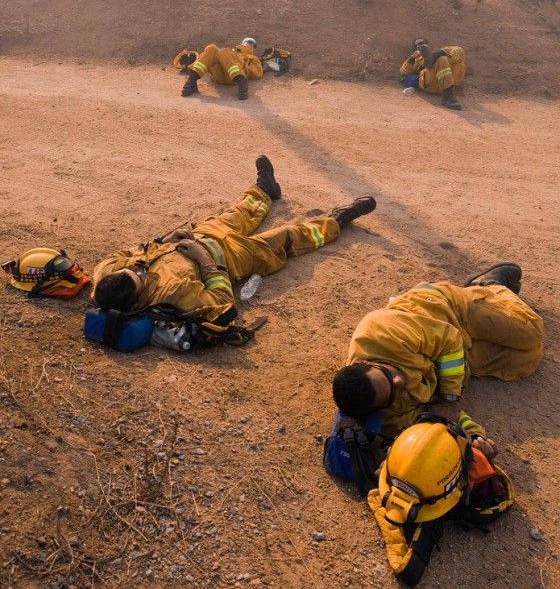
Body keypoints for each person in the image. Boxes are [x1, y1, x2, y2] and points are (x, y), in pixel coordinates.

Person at [93, 156, 377, 331]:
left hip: (203, 233)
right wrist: (205, 262)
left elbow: (125, 254)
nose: (140, 270)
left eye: (134, 269)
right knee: (284, 238)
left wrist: (163, 240)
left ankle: (265, 190)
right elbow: (222, 303)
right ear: (138, 299)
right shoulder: (172, 294)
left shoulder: (107, 272)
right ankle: (338, 221)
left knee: (239, 211)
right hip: (231, 258)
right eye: (140, 277)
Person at [332, 263, 544, 453]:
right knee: (528, 360)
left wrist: (450, 397)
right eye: (393, 393)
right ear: (380, 408)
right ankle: (494, 305)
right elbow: (437, 416)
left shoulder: (380, 331)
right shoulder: (392, 415)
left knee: (531, 332)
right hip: (456, 353)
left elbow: (450, 339)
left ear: (365, 363)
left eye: (388, 374)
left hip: (447, 310)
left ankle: (491, 285)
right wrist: (473, 436)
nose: (399, 383)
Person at [181, 37, 263, 100]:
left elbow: (258, 73)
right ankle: (191, 82)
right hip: (218, 75)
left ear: (253, 47)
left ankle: (242, 83)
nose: (249, 43)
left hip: (234, 77)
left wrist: (246, 68)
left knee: (223, 51)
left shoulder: (253, 57)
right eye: (247, 42)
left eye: (251, 43)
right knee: (211, 48)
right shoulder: (232, 52)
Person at [399, 38, 466, 111]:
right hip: (429, 84)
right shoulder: (417, 59)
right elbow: (404, 71)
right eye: (418, 45)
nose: (420, 46)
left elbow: (459, 52)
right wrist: (412, 58)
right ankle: (447, 98)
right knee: (442, 59)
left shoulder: (442, 52)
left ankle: (433, 56)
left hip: (448, 81)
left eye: (422, 43)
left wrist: (437, 54)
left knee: (459, 51)